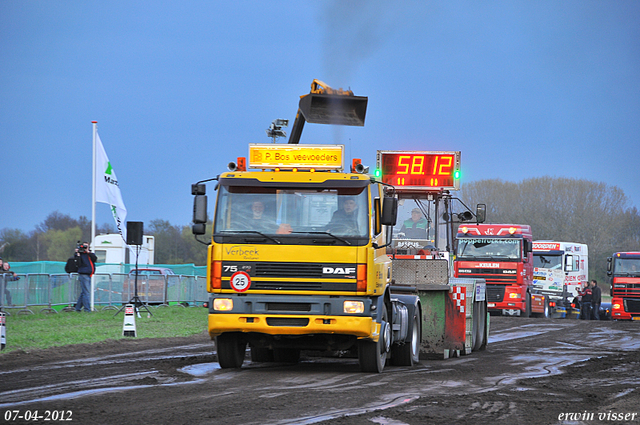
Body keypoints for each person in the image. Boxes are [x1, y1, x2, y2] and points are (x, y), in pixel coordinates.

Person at [74, 242, 97, 313]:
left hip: (89, 274)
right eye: (83, 246)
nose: (84, 248)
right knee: (86, 292)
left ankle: (77, 308)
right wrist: (78, 254)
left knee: (84, 292)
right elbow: (78, 264)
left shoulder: (89, 254)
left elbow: (94, 259)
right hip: (83, 274)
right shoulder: (80, 254)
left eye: (86, 246)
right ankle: (87, 309)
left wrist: (88, 252)